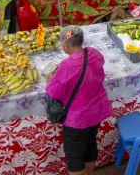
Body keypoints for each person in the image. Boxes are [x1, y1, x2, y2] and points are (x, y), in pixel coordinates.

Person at [46, 26, 112, 175]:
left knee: (75, 155)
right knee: (90, 145)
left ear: (66, 45)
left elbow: (55, 92)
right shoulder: (94, 53)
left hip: (78, 119)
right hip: (96, 111)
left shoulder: (67, 65)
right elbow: (99, 76)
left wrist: (51, 80)